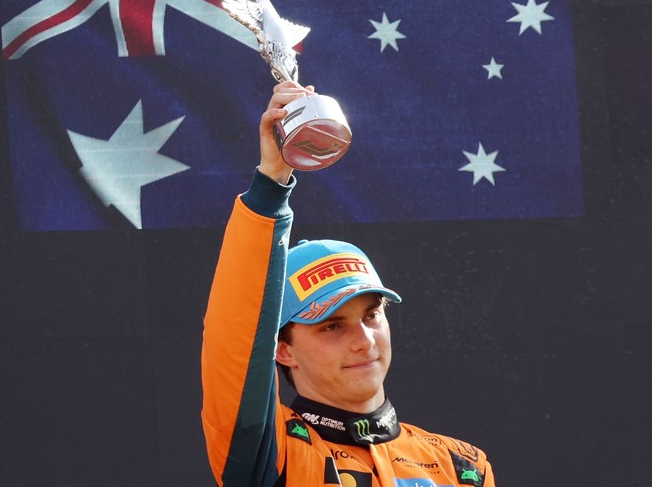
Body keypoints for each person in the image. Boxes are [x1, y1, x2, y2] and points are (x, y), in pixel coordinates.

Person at [202, 81, 495, 486]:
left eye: (372, 315)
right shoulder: (273, 454)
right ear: (283, 349)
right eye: (332, 326)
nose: (364, 340)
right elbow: (236, 340)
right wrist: (271, 180)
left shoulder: (463, 466)